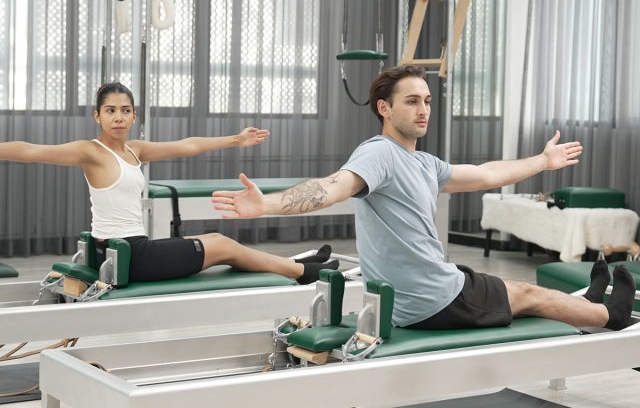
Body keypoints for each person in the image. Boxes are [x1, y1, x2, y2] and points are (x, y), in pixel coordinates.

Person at [212, 65, 635, 331]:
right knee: (526, 293)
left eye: (428, 101)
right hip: (430, 301)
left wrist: (542, 161)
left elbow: (487, 173)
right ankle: (609, 315)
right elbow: (333, 187)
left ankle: (589, 300)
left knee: (502, 287)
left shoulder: (424, 163)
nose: (423, 110)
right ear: (384, 108)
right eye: (411, 101)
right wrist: (267, 204)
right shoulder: (379, 153)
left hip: (429, 289)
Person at [0, 82, 337, 284]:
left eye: (125, 110)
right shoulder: (91, 152)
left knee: (220, 248)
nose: (119, 117)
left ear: (134, 116)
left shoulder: (135, 149)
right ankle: (301, 270)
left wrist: (235, 139)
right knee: (220, 244)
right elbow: (29, 151)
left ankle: (302, 264)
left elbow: (187, 145)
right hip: (127, 255)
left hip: (129, 251)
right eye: (111, 110)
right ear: (97, 116)